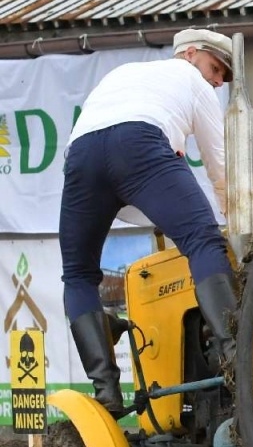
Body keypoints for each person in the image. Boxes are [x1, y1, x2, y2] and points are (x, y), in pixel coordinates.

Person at [59, 28, 238, 418]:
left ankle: (106, 391)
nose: (218, 81)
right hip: (139, 143)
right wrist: (236, 223)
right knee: (203, 241)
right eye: (216, 69)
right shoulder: (193, 82)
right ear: (189, 54)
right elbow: (221, 166)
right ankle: (237, 360)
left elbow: (105, 153)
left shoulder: (122, 75)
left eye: (223, 77)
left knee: (77, 274)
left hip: (82, 156)